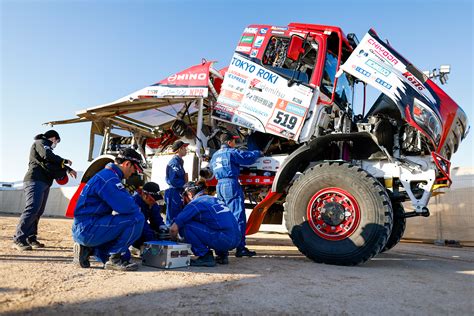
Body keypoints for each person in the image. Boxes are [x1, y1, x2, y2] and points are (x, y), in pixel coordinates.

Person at [72, 148, 145, 271]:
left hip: (85, 227)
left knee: (126, 255)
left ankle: (87, 249)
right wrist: (135, 204)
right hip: (89, 228)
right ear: (127, 164)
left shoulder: (105, 175)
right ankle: (114, 260)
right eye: (134, 168)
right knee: (137, 218)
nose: (134, 172)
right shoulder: (110, 179)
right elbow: (127, 207)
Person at [13, 130, 77, 251]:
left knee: (38, 211)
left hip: (44, 182)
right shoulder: (41, 143)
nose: (56, 144)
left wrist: (67, 169)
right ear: (53, 138)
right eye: (57, 141)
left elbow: (51, 164)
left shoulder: (47, 149)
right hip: (34, 180)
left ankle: (30, 238)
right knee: (32, 208)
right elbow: (47, 156)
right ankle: (18, 239)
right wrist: (64, 161)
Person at [210, 132, 262, 258]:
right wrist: (258, 153)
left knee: (223, 217)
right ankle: (240, 248)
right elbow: (247, 157)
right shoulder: (231, 152)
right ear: (229, 142)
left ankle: (223, 249)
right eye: (233, 141)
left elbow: (212, 169)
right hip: (231, 185)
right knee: (238, 216)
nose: (235, 143)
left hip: (219, 186)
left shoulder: (215, 155)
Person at [169, 181, 240, 267]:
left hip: (225, 240)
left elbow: (173, 228)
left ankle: (205, 256)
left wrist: (173, 241)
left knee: (185, 226)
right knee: (214, 223)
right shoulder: (214, 199)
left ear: (189, 193)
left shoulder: (195, 203)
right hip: (236, 239)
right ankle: (222, 256)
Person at [131, 182, 168, 250]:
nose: (153, 202)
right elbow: (141, 224)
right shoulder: (134, 203)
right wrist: (153, 242)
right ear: (144, 195)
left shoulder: (152, 203)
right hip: (132, 226)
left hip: (143, 225)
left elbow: (156, 218)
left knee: (162, 232)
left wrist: (162, 226)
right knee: (145, 233)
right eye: (152, 199)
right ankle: (135, 247)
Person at [164, 140, 188, 225]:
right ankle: (169, 237)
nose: (186, 149)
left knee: (177, 216)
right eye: (184, 147)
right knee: (172, 218)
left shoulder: (179, 162)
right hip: (174, 193)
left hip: (178, 192)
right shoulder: (174, 162)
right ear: (179, 149)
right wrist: (185, 184)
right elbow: (172, 180)